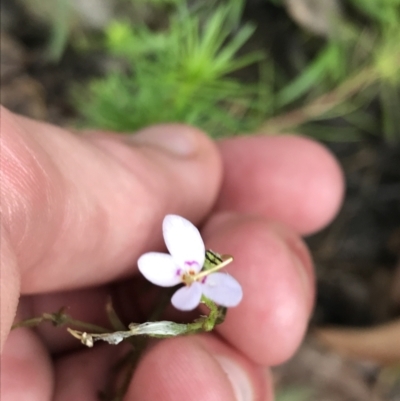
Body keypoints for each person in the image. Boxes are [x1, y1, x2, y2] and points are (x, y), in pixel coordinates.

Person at [0, 105, 343, 401]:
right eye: (194, 273)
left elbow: (206, 291)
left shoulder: (197, 284)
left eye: (198, 273)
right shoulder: (177, 271)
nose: (193, 274)